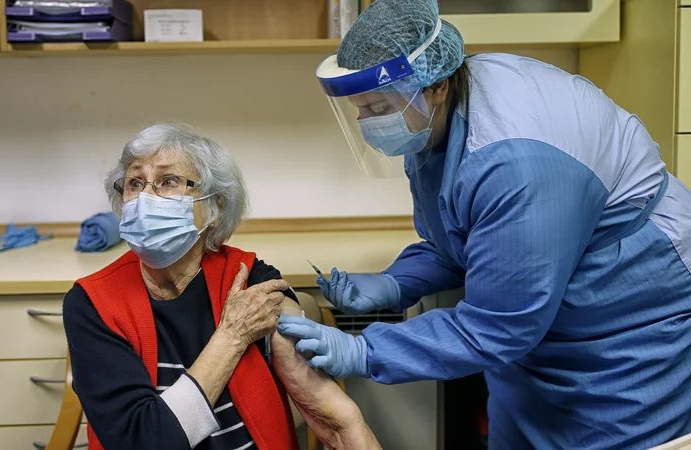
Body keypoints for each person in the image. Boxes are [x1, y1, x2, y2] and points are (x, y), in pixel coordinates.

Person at [278, 0, 691, 448]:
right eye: (361, 110)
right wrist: (397, 283)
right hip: (531, 333)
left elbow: (500, 326)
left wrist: (364, 350)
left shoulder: (517, 160)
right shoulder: (438, 119)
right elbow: (467, 237)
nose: (369, 124)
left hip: (624, 331)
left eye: (379, 107)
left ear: (437, 86)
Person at [63, 123, 380, 450]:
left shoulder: (249, 279)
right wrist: (232, 336)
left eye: (168, 180)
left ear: (214, 207)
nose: (145, 197)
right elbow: (142, 441)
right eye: (134, 182)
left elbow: (337, 420)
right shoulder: (91, 303)